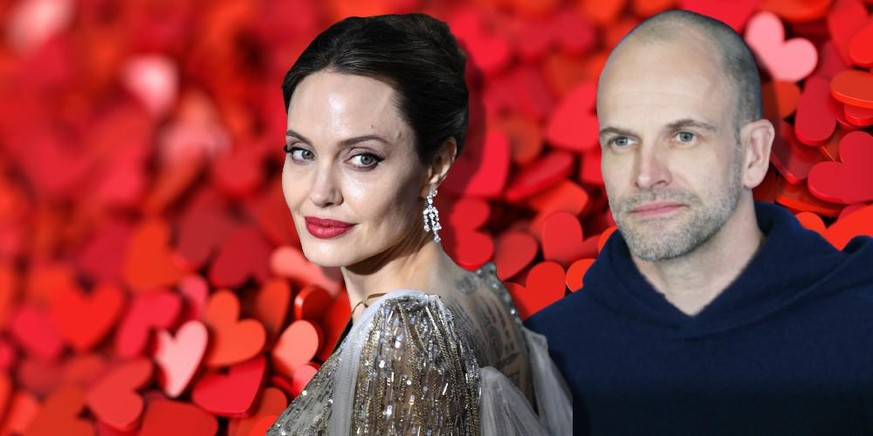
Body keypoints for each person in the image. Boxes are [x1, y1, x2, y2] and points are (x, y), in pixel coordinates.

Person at [526, 9, 873, 435]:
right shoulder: (539, 359)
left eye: (684, 136)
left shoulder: (862, 328)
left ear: (754, 153)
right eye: (622, 141)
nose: (646, 174)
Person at [268, 13, 571, 435]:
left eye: (363, 158)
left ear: (436, 165)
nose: (320, 193)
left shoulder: (402, 337)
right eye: (302, 152)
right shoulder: (482, 293)